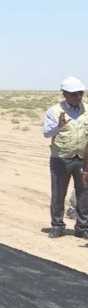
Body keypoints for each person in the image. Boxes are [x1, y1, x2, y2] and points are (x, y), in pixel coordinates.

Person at [45, 76, 88, 238]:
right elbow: (46, 133)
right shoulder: (54, 111)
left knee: (84, 194)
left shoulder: (87, 110)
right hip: (61, 159)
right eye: (74, 94)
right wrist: (58, 126)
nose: (78, 97)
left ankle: (82, 227)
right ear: (65, 94)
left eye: (80, 94)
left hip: (83, 160)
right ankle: (57, 225)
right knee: (58, 193)